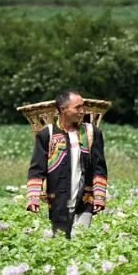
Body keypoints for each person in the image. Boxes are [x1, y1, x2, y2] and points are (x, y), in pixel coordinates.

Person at [26, 90, 108, 237]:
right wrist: (33, 197)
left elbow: (99, 167)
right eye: (78, 107)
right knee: (61, 243)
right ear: (63, 110)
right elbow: (37, 169)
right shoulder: (47, 135)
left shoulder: (91, 133)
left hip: (85, 200)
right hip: (58, 201)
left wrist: (100, 196)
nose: (82, 111)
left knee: (80, 240)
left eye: (83, 106)